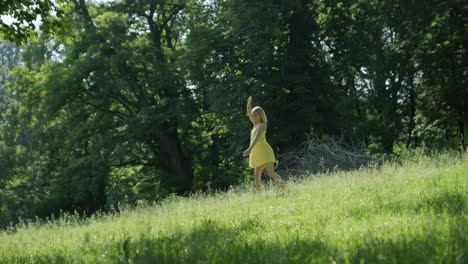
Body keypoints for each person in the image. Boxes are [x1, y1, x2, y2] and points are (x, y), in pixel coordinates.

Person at [243, 96, 287, 191]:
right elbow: (248, 112)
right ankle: (261, 194)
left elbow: (256, 138)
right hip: (257, 152)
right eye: (253, 115)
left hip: (265, 152)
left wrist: (249, 149)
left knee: (271, 173)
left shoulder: (262, 125)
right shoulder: (255, 124)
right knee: (257, 174)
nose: (254, 117)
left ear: (260, 115)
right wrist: (248, 103)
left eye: (256, 115)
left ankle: (285, 189)